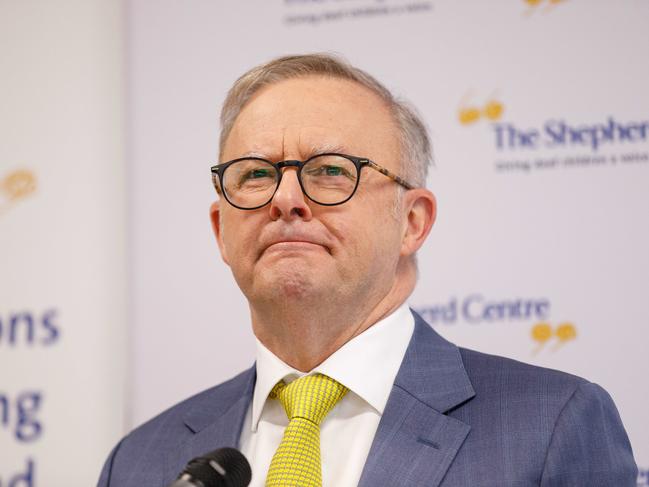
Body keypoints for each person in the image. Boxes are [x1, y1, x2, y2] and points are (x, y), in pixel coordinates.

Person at [98, 54, 637, 487]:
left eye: (331, 171)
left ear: (412, 222)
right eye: (256, 174)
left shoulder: (551, 426)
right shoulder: (141, 461)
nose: (286, 199)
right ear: (221, 229)